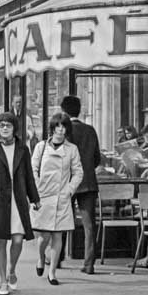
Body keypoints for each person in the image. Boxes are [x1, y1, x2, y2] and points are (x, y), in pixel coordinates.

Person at [0, 112, 41, 295]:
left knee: (17, 239)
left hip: (19, 198)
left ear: (15, 128)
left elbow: (29, 175)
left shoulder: (23, 149)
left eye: (8, 125)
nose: (4, 128)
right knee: (1, 239)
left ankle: (12, 269)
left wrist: (35, 198)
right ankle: (3, 281)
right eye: (1, 125)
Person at [32, 112, 82, 286]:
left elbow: (78, 172)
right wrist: (37, 190)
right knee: (44, 235)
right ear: (52, 128)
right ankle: (40, 258)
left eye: (64, 126)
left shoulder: (72, 149)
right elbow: (33, 169)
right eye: (58, 126)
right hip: (43, 196)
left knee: (57, 235)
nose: (61, 130)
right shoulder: (41, 147)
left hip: (61, 197)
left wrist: (69, 190)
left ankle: (52, 273)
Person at [60, 95, 101, 275]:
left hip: (68, 182)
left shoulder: (63, 131)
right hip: (88, 182)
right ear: (79, 110)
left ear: (63, 112)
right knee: (89, 225)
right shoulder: (90, 130)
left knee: (61, 221)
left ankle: (57, 258)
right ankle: (89, 263)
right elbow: (97, 159)